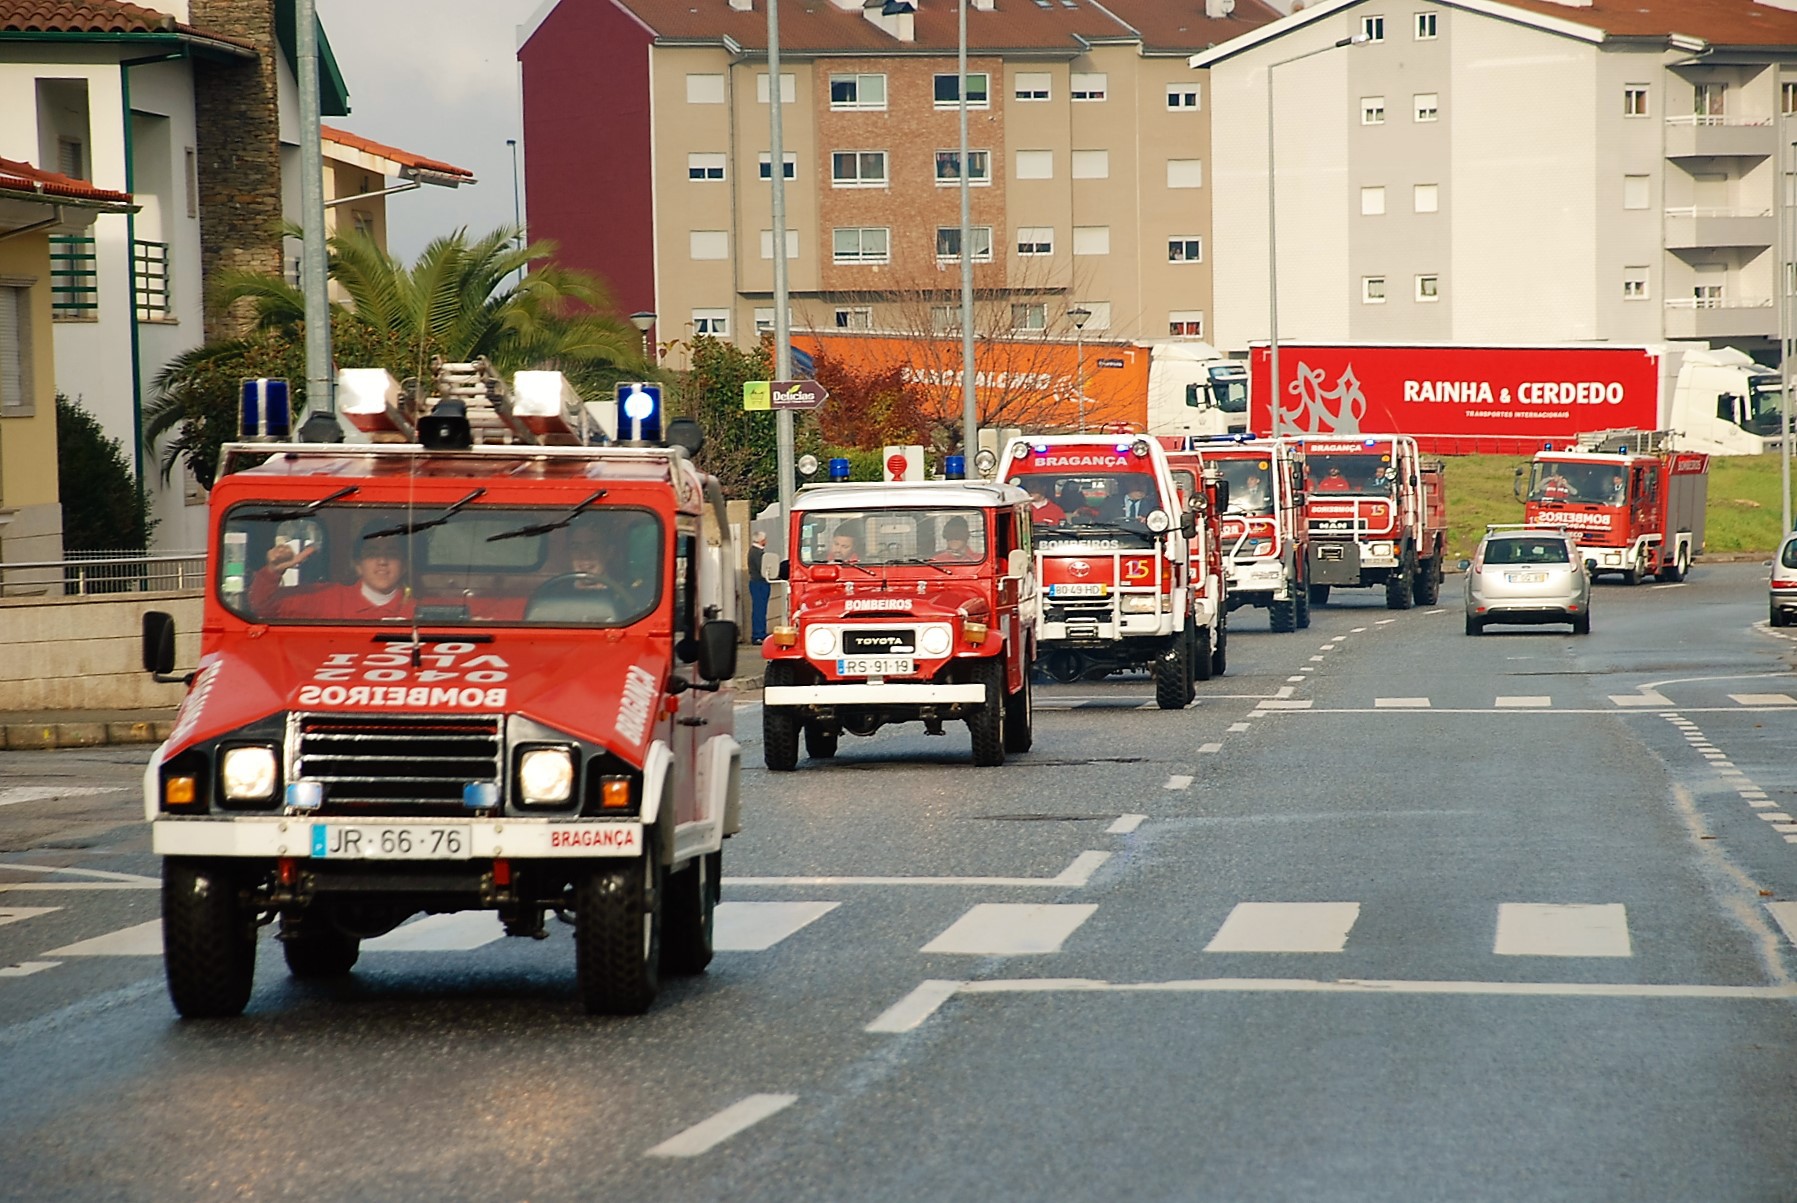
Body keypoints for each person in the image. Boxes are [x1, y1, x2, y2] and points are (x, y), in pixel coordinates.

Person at [248, 521, 412, 620]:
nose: (382, 561)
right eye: (372, 554)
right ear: (357, 564)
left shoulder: (425, 607)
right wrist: (272, 572)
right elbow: (261, 608)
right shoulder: (325, 598)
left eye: (392, 554)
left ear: (404, 565)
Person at [748, 531, 771, 642]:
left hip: (759, 583)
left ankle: (760, 632)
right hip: (759, 583)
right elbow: (762, 568)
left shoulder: (756, 552)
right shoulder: (756, 553)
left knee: (761, 609)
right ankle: (758, 634)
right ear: (762, 540)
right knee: (759, 609)